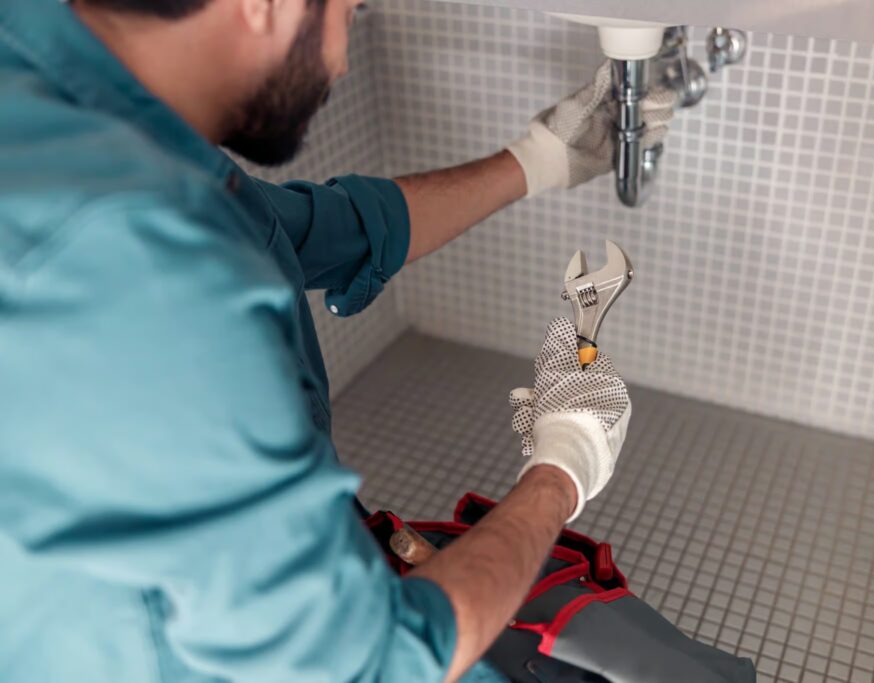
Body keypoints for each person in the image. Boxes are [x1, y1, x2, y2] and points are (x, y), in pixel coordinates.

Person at [0, 1, 674, 681]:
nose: (344, 62)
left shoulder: (59, 89)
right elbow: (380, 661)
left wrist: (539, 160)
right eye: (350, 12)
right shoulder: (142, 263)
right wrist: (564, 465)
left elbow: (308, 230)